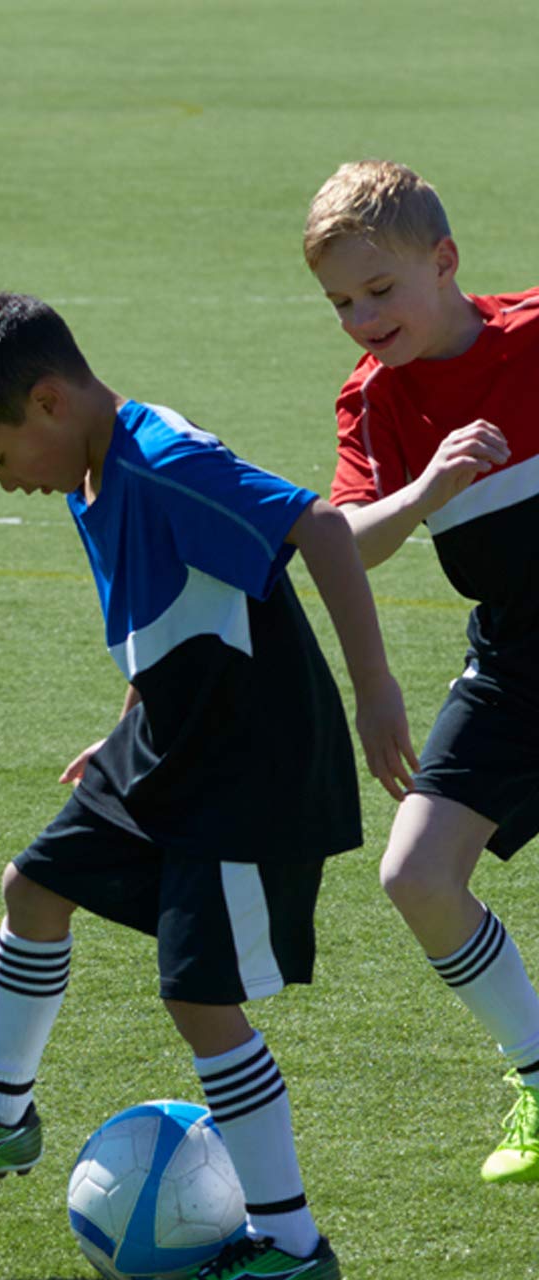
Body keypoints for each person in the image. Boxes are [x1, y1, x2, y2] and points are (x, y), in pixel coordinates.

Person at [0, 293, 415, 1280]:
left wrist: (373, 689)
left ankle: (290, 1248)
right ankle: (1, 1114)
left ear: (45, 398)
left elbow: (324, 531)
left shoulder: (162, 461)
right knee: (32, 886)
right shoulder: (87, 467)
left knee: (197, 997)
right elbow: (165, 601)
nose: (5, 482)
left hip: (246, 771)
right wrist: (125, 714)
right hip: (163, 742)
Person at [304, 159, 539, 1185]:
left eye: (377, 290)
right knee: (413, 873)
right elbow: (342, 540)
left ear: (442, 263)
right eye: (339, 301)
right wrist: (430, 483)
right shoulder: (376, 401)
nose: (359, 317)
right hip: (515, 659)